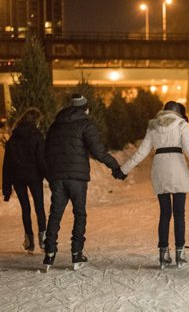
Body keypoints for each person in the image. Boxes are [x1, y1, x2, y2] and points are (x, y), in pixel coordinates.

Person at [120, 101, 189, 269]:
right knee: (179, 214)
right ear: (177, 112)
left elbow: (141, 152)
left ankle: (163, 255)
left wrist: (123, 170)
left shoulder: (153, 126)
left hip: (160, 170)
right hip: (177, 170)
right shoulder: (181, 124)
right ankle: (180, 254)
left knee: (164, 214)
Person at [43, 94, 125, 270]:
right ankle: (76, 254)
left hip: (57, 177)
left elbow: (46, 151)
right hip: (77, 178)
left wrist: (51, 173)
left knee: (55, 213)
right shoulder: (85, 125)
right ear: (85, 108)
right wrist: (116, 167)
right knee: (79, 214)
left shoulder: (55, 125)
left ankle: (49, 254)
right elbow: (98, 152)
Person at [2, 108, 47, 253]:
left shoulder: (13, 139)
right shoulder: (37, 136)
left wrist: (7, 189)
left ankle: (29, 243)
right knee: (39, 207)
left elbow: (7, 164)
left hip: (18, 178)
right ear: (35, 121)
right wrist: (49, 177)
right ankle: (44, 240)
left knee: (25, 209)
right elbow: (41, 159)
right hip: (34, 177)